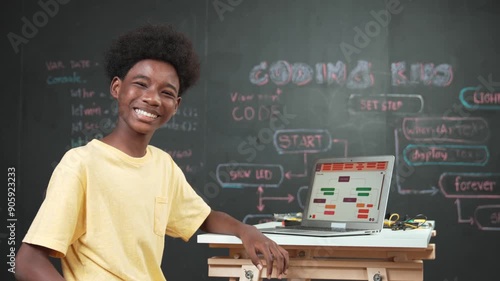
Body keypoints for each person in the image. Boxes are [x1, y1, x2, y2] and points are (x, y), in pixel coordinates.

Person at [15, 23, 289, 281]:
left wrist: (246, 231)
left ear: (176, 105)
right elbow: (27, 262)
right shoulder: (80, 164)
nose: (153, 98)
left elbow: (203, 217)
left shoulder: (162, 165)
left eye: (166, 92)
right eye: (141, 84)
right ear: (117, 88)